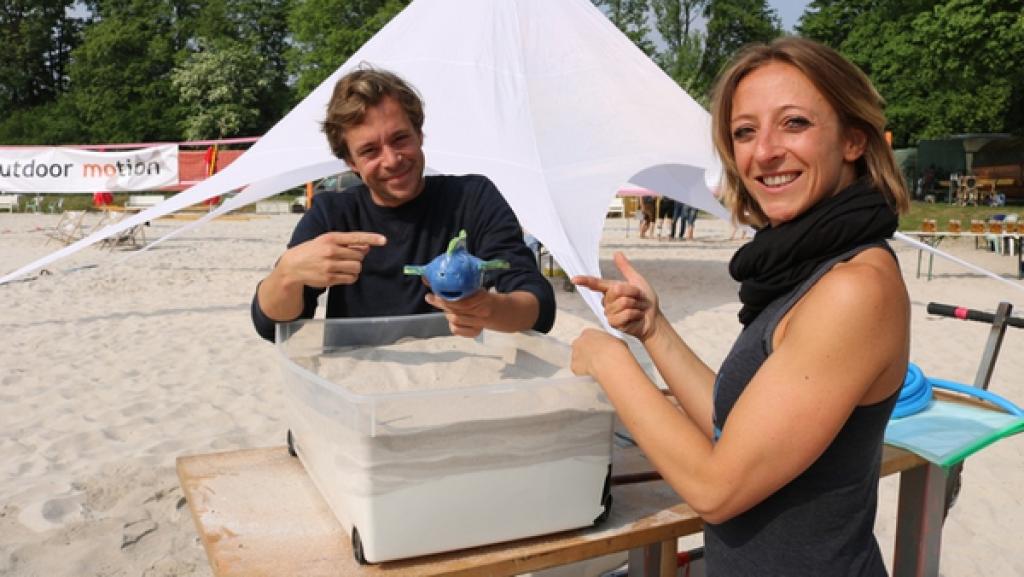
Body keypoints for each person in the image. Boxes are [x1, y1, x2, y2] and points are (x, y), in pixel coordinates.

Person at [570, 37, 910, 576]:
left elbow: (716, 488)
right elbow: (734, 431)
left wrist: (609, 361)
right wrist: (654, 331)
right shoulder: (804, 266)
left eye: (794, 123)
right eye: (745, 132)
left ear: (853, 140)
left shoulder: (855, 287)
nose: (765, 151)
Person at [251, 67, 555, 342]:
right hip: (358, 384)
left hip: (458, 382)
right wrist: (287, 274)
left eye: (400, 139)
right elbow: (271, 325)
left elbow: (538, 305)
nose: (392, 160)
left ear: (420, 133)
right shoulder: (333, 214)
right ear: (350, 162)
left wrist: (489, 309)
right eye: (370, 150)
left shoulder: (472, 197)